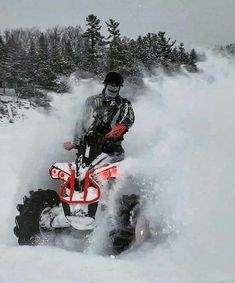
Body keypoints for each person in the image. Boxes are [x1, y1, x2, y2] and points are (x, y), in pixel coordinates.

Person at [63, 72, 135, 162]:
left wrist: (117, 130)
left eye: (116, 84)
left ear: (120, 87)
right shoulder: (92, 100)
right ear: (106, 84)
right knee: (79, 169)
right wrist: (75, 143)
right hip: (88, 143)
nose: (113, 86)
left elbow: (128, 119)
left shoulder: (124, 103)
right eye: (111, 84)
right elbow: (81, 121)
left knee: (119, 171)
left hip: (112, 146)